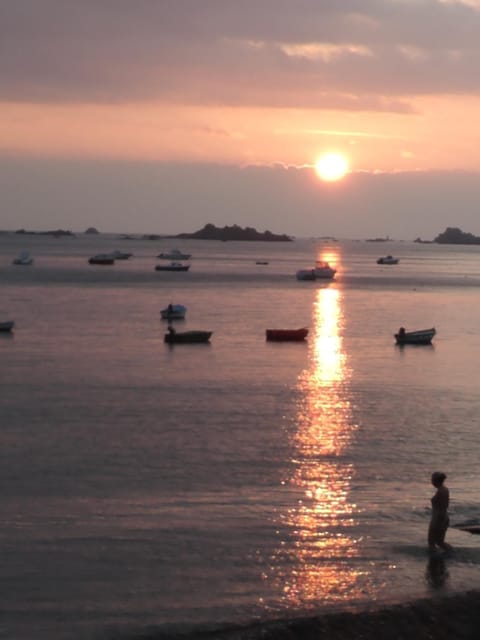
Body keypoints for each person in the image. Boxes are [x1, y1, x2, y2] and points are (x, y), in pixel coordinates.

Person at [428, 471, 452, 554]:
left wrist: (439, 520)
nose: (431, 481)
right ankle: (450, 553)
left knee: (431, 542)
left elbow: (443, 506)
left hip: (438, 518)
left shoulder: (441, 491)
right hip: (443, 517)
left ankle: (434, 561)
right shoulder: (444, 489)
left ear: (435, 480)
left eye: (432, 479)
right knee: (440, 542)